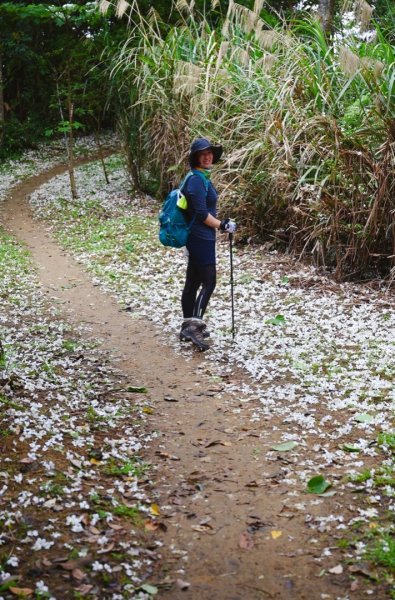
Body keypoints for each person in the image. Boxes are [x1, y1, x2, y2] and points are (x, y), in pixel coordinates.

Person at [179, 137, 236, 351]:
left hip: (199, 236)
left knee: (193, 282)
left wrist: (219, 225)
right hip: (199, 237)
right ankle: (195, 326)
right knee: (209, 281)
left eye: (210, 152)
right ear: (195, 157)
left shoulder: (200, 177)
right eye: (203, 153)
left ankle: (188, 325)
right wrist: (223, 225)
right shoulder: (195, 180)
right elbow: (202, 214)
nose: (207, 156)